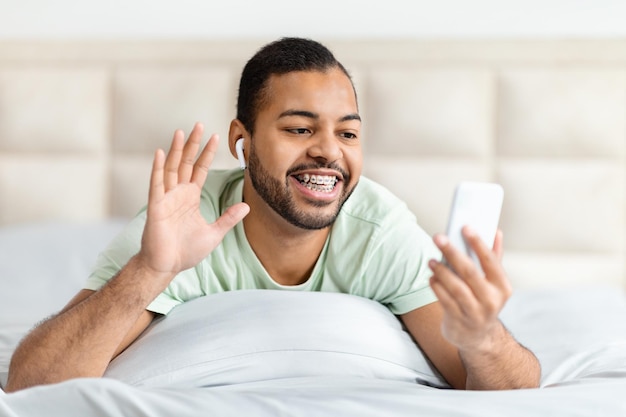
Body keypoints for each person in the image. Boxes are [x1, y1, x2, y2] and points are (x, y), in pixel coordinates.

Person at [5, 37, 540, 392]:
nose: (330, 152)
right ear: (243, 140)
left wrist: (482, 337)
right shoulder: (183, 222)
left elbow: (510, 395)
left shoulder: (380, 232)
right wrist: (149, 271)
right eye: (300, 128)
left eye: (348, 133)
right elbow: (32, 385)